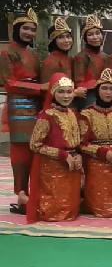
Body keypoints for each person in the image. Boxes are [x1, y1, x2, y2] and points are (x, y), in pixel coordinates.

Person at [0, 9, 41, 214]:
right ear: (16, 29)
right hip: (18, 105)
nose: (29, 33)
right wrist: (39, 88)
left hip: (36, 105)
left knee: (36, 150)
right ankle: (22, 194)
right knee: (20, 153)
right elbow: (8, 83)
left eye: (33, 29)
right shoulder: (6, 52)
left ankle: (36, 195)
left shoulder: (34, 54)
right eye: (25, 28)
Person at [27, 73, 82, 223]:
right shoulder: (46, 116)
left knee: (71, 210)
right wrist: (62, 155)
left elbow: (75, 141)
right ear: (53, 93)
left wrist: (78, 155)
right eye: (61, 92)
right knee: (54, 212)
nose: (66, 96)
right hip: (53, 167)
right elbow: (35, 145)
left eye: (69, 92)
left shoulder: (72, 113)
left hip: (71, 166)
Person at [78, 68, 112, 217]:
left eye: (111, 89)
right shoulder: (87, 114)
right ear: (97, 90)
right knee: (100, 209)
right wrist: (102, 152)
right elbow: (81, 143)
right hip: (96, 161)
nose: (108, 92)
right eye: (104, 88)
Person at [73, 15, 112, 107]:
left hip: (106, 94)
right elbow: (79, 83)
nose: (95, 37)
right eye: (90, 34)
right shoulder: (80, 57)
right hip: (88, 97)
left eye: (97, 33)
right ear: (85, 38)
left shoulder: (106, 57)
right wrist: (98, 83)